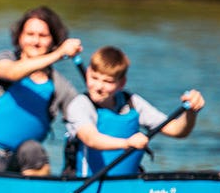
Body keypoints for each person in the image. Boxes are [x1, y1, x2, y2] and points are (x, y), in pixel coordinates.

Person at [0, 6, 82, 176]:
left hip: (16, 161)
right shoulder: (5, 59)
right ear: (20, 37)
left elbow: (84, 118)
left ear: (53, 40)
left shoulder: (60, 85)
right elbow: (12, 72)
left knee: (34, 151)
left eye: (43, 36)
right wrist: (60, 54)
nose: (36, 41)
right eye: (30, 34)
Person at [64, 45, 205, 177]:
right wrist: (127, 143)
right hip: (84, 185)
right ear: (88, 72)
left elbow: (177, 131)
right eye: (94, 78)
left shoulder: (132, 102)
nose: (98, 86)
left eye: (107, 81)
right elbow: (91, 139)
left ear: (121, 83)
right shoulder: (80, 104)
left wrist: (191, 113)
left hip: (127, 185)